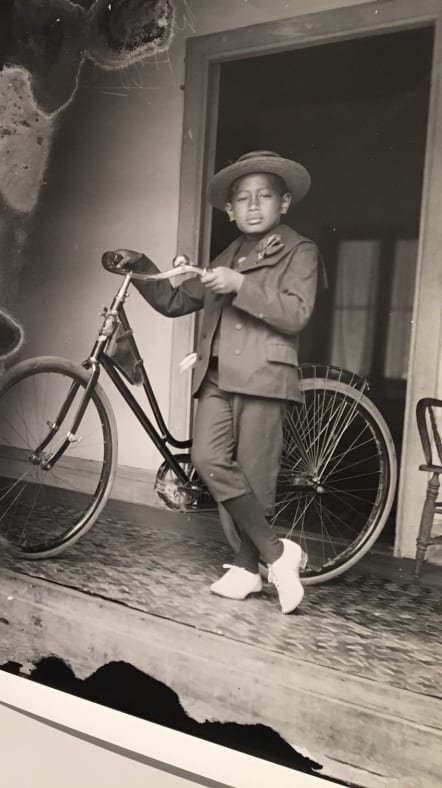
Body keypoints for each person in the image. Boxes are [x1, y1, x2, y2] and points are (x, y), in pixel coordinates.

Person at [109, 150, 320, 614]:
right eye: (242, 199)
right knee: (207, 459)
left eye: (264, 196)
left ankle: (247, 568)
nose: (253, 206)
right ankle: (277, 553)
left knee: (255, 477)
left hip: (263, 375)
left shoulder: (300, 250)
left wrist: (241, 285)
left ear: (284, 203)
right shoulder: (229, 254)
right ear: (229, 209)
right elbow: (175, 301)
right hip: (217, 377)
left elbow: (296, 312)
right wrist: (141, 265)